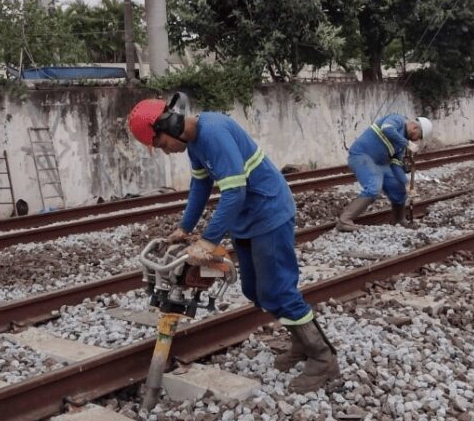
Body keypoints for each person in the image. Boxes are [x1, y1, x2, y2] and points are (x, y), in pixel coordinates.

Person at [127, 96, 339, 392]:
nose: (166, 151)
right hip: (247, 221)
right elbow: (200, 185)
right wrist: (184, 228)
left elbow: (235, 192)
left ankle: (322, 357)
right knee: (254, 290)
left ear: (170, 124)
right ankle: (300, 343)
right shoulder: (196, 144)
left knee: (278, 289)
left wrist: (207, 241)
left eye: (161, 144)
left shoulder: (213, 133)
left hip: (269, 214)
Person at [337, 114, 433, 231]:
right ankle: (344, 221)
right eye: (419, 136)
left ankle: (399, 221)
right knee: (374, 187)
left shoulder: (401, 146)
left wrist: (407, 184)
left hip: (380, 164)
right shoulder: (397, 120)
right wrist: (407, 144)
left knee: (399, 189)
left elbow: (395, 165)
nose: (417, 140)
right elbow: (387, 129)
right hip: (362, 156)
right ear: (414, 127)